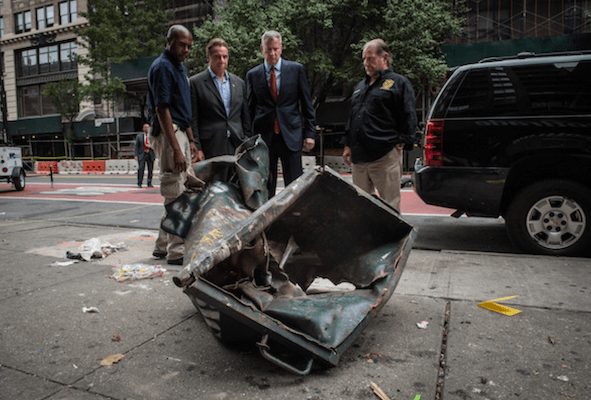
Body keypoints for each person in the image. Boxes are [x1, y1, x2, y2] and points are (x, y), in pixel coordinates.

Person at [342, 39, 418, 211]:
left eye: (370, 58)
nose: (366, 63)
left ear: (385, 57)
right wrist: (347, 145)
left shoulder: (399, 83)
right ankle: (367, 238)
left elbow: (409, 115)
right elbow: (352, 117)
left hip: (385, 155)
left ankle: (392, 238)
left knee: (389, 205)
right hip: (359, 157)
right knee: (360, 206)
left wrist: (402, 142)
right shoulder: (360, 87)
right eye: (364, 59)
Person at [147, 25, 198, 266]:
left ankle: (161, 246)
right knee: (175, 192)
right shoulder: (162, 67)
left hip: (180, 133)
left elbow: (182, 109)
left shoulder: (179, 68)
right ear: (169, 41)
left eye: (189, 45)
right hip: (170, 135)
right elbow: (162, 109)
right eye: (182, 44)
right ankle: (176, 251)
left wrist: (190, 140)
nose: (186, 49)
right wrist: (177, 148)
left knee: (178, 190)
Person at [246, 30, 315, 197]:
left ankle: (294, 219)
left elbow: (306, 104)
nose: (272, 53)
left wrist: (310, 133)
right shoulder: (252, 75)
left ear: (281, 48)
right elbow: (249, 109)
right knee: (265, 184)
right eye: (268, 49)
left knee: (295, 185)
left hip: (291, 135)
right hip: (264, 139)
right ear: (262, 49)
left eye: (275, 49)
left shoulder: (296, 70)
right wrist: (249, 139)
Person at [189, 38, 251, 180]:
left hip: (236, 145)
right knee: (214, 189)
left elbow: (245, 117)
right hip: (211, 145)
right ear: (208, 58)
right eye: (217, 57)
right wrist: (197, 147)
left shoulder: (239, 83)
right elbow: (193, 119)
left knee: (237, 188)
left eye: (225, 56)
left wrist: (246, 142)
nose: (222, 60)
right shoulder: (196, 83)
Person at [134, 123, 156, 188]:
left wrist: (150, 146)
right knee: (141, 168)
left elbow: (156, 144)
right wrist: (136, 155)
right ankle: (139, 183)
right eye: (145, 127)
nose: (146, 129)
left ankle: (149, 183)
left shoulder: (152, 136)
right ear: (143, 129)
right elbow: (136, 146)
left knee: (150, 169)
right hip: (142, 154)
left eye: (148, 127)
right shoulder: (139, 136)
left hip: (150, 154)